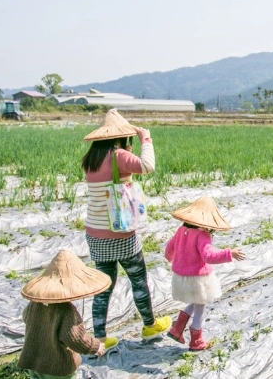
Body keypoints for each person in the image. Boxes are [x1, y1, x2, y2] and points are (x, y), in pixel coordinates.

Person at [81, 108, 171, 350]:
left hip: (95, 234)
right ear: (121, 137)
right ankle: (150, 326)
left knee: (104, 287)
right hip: (120, 233)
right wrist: (146, 140)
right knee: (138, 280)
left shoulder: (90, 159)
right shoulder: (118, 155)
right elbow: (147, 166)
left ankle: (99, 338)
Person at [164, 196, 246, 350]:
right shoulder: (202, 235)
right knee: (200, 307)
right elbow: (209, 256)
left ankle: (177, 329)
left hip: (181, 277)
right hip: (198, 278)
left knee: (196, 302)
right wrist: (230, 253)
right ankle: (196, 341)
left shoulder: (181, 230)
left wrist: (171, 259)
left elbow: (169, 249)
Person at [18, 249, 109, 379]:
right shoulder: (66, 311)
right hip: (58, 368)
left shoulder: (35, 304)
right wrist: (95, 346)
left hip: (33, 362)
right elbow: (76, 339)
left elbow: (25, 317)